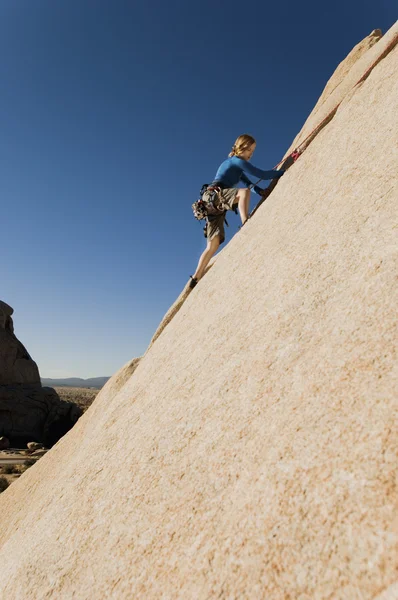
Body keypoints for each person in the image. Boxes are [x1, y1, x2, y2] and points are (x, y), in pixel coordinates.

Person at [189, 134, 286, 289]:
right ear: (242, 148)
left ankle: (195, 278)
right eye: (250, 150)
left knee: (212, 245)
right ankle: (245, 221)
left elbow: (250, 184)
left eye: (253, 151)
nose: (251, 154)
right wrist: (284, 170)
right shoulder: (237, 161)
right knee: (243, 193)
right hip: (215, 196)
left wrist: (260, 192)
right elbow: (263, 175)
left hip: (211, 204)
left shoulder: (236, 166)